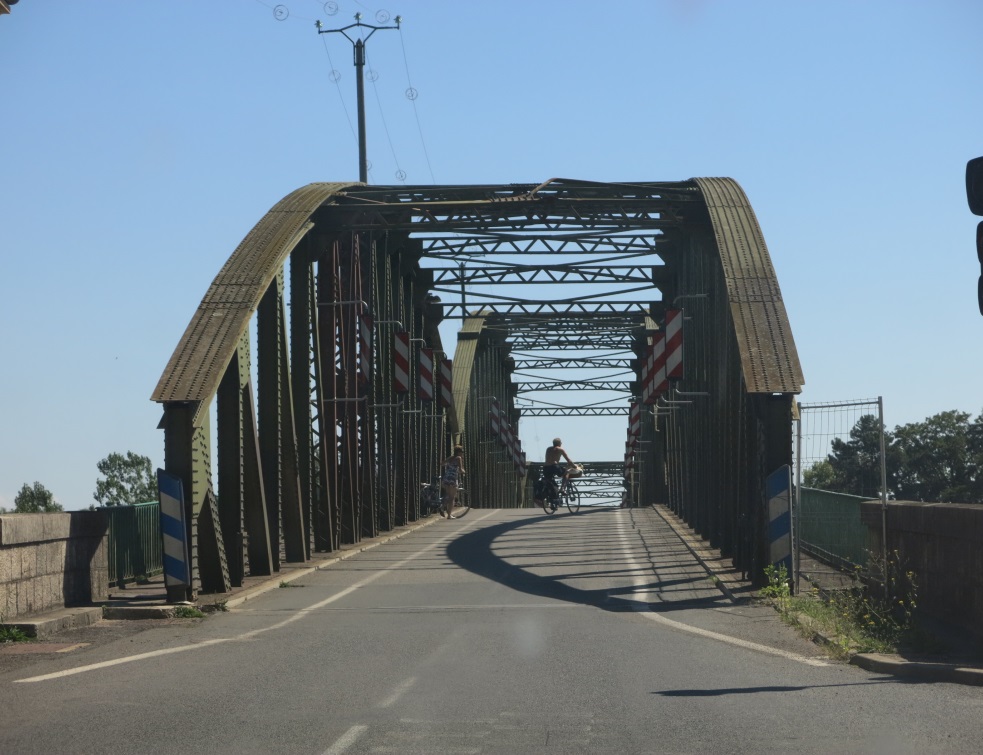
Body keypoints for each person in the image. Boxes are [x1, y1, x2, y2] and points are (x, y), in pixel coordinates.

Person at [440, 445, 466, 519]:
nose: (462, 453)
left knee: (448, 495)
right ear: (458, 452)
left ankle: (442, 506)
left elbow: (442, 464)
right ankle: (448, 515)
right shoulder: (459, 458)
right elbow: (461, 469)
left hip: (446, 477)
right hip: (453, 478)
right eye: (461, 452)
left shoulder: (450, 457)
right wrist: (464, 471)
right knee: (452, 497)